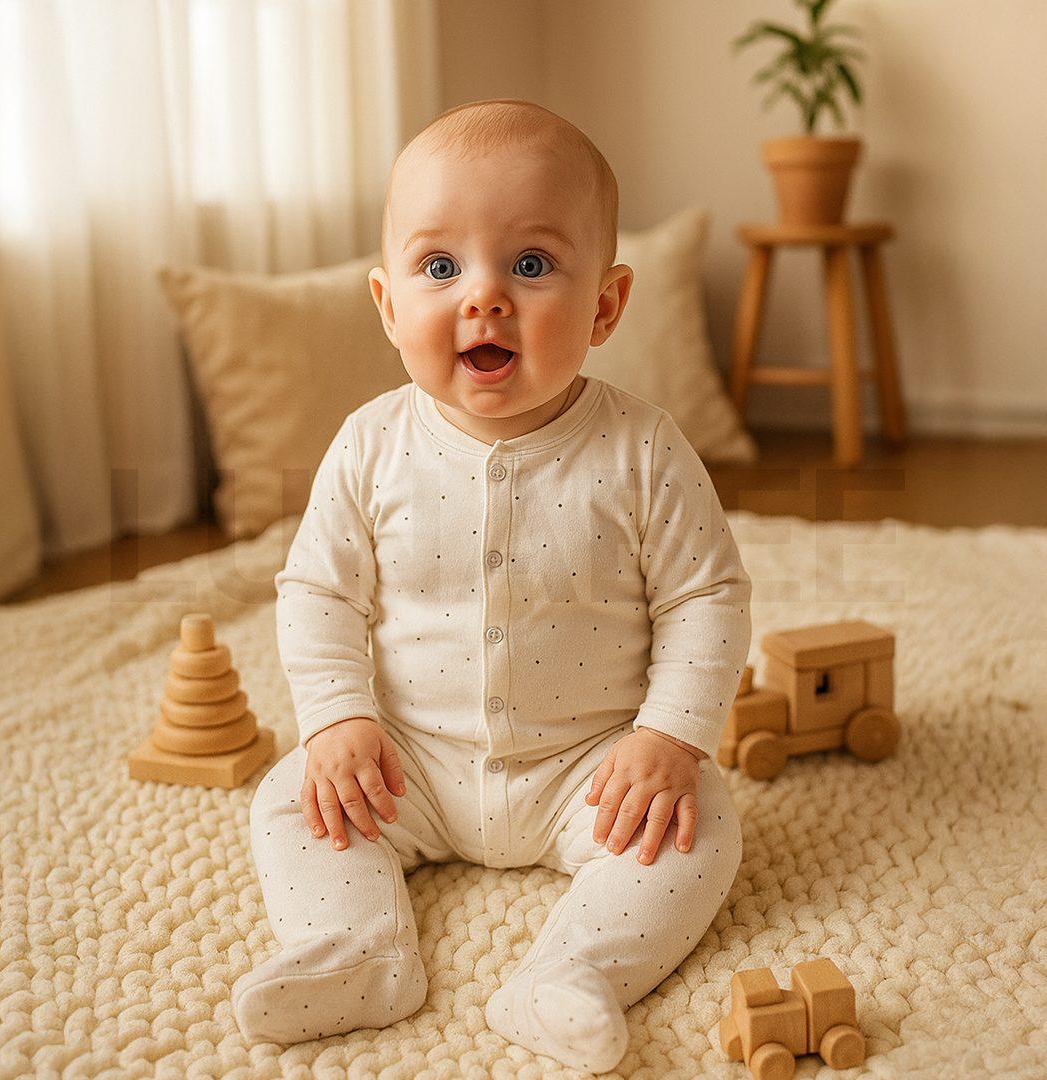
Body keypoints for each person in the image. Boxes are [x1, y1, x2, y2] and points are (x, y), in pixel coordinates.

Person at [233, 99, 751, 1073]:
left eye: (530, 264)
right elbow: (318, 595)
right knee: (288, 797)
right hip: (408, 763)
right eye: (441, 267)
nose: (484, 298)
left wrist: (666, 739)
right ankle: (355, 948)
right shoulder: (371, 447)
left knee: (702, 824)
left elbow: (706, 599)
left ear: (604, 304)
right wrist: (339, 719)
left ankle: (571, 971)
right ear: (389, 306)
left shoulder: (641, 448)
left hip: (588, 768)